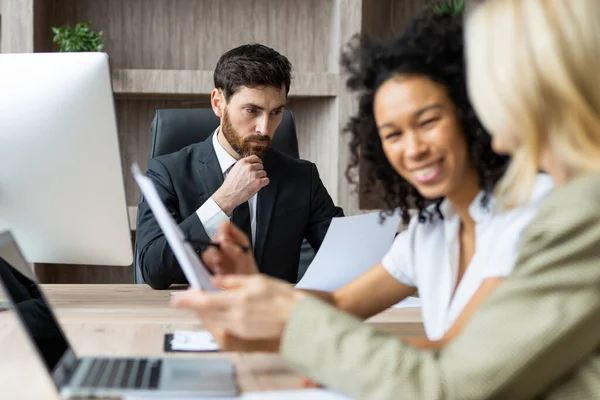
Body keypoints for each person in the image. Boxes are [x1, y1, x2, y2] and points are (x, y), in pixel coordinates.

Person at [173, 1, 600, 398]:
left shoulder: (551, 214)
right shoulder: (437, 224)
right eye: (393, 134)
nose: (412, 149)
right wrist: (259, 298)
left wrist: (305, 335)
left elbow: (453, 369)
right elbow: (341, 305)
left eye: (428, 121)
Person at [136, 44, 343, 290]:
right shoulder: (166, 173)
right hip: (192, 317)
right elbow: (153, 269)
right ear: (218, 103)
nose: (265, 128)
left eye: (276, 112)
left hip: (272, 320)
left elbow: (345, 255)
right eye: (252, 111)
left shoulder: (302, 177)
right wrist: (223, 202)